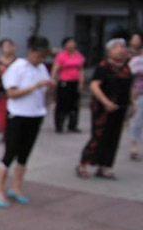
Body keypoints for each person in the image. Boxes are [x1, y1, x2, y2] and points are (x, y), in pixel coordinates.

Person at [0, 36, 54, 208]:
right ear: (31, 52)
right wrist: (35, 86)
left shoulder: (41, 68)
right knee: (9, 154)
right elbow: (10, 93)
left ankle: (16, 188)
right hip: (18, 115)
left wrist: (48, 87)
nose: (41, 60)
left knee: (24, 155)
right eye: (39, 55)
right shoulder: (17, 67)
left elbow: (44, 91)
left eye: (44, 57)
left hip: (35, 115)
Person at [76, 38, 135, 179]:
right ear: (109, 51)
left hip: (120, 106)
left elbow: (130, 88)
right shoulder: (104, 66)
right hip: (103, 108)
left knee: (114, 137)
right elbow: (94, 86)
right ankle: (84, 164)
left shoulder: (126, 68)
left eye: (122, 47)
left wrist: (133, 104)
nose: (121, 49)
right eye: (116, 47)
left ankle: (105, 166)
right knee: (99, 136)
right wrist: (105, 102)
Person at [51, 37, 85, 133]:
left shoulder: (78, 55)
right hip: (64, 83)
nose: (72, 44)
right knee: (62, 105)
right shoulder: (61, 56)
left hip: (75, 82)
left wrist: (81, 82)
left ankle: (72, 125)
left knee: (74, 105)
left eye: (73, 42)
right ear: (65, 44)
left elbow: (80, 70)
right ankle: (59, 125)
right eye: (69, 43)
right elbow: (55, 69)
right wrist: (53, 80)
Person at [129, 37, 143, 161]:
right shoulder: (137, 61)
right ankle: (134, 146)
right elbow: (129, 75)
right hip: (139, 94)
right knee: (137, 121)